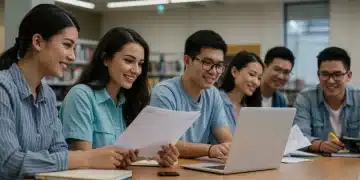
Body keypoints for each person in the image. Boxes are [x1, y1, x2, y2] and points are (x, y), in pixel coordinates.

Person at [0, 4, 132, 180]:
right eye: (67, 45)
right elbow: (9, 163)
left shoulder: (47, 94)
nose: (73, 57)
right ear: (38, 42)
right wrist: (86, 157)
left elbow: (59, 149)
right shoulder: (3, 89)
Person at [60, 27, 179, 167]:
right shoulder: (81, 96)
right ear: (106, 59)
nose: (136, 70)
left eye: (140, 64)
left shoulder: (129, 101)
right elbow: (86, 160)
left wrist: (156, 157)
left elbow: (124, 157)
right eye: (129, 61)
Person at [150, 30, 232, 160]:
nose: (214, 71)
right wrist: (210, 150)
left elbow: (226, 137)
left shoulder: (213, 94)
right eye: (207, 63)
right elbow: (164, 143)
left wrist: (231, 147)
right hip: (169, 171)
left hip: (198, 170)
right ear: (187, 60)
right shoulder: (164, 93)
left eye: (219, 65)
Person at [293, 47, 360, 153]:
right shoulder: (306, 98)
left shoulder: (358, 98)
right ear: (318, 75)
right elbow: (298, 138)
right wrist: (320, 145)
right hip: (317, 164)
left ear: (348, 76)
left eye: (337, 74)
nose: (331, 81)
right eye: (325, 74)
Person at [209, 51, 264, 144]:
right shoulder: (216, 100)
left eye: (259, 78)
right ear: (234, 72)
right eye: (252, 74)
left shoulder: (249, 107)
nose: (256, 82)